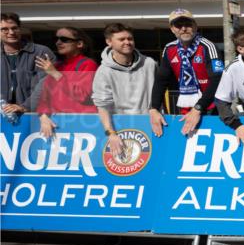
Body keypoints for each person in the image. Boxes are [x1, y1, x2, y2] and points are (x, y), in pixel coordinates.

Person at [149, 9, 224, 138]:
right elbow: (161, 80)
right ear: (172, 29)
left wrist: (198, 108)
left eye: (188, 24)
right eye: (178, 25)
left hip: (212, 106)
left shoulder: (208, 46)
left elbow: (218, 79)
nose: (183, 28)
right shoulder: (169, 49)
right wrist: (153, 108)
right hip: (186, 106)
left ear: (195, 26)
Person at [91, 23, 158, 157]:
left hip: (152, 127)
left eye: (130, 39)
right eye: (121, 39)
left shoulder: (150, 63)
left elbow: (160, 93)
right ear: (109, 42)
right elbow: (102, 106)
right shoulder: (103, 71)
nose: (127, 42)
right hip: (120, 131)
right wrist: (111, 134)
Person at [36, 27, 98, 138]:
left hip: (82, 125)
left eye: (64, 39)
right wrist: (43, 116)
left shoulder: (88, 64)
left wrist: (56, 74)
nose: (58, 42)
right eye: (56, 39)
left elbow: (82, 96)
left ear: (79, 44)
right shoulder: (57, 66)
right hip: (58, 125)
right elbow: (45, 98)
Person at [1, 12, 55, 119]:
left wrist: (24, 107)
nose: (11, 32)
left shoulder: (40, 52)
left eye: (14, 28)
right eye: (4, 29)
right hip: (3, 116)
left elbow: (46, 83)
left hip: (34, 116)